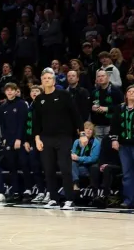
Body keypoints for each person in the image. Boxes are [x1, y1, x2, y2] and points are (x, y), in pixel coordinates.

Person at [33, 67, 83, 209]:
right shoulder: (39, 99)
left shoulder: (64, 95)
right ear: (41, 81)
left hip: (64, 137)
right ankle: (53, 198)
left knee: (65, 168)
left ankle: (69, 199)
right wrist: (37, 138)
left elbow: (76, 115)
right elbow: (36, 122)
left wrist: (82, 133)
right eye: (44, 78)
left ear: (54, 81)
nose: (46, 80)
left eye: (49, 78)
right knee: (48, 170)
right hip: (46, 138)